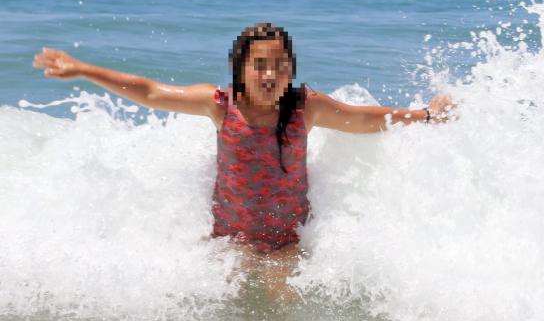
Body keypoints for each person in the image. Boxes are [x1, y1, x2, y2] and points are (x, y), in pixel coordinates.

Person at [33, 22, 453, 257]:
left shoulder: (307, 107)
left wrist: (426, 116)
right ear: (239, 70)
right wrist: (84, 69)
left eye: (280, 66)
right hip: (229, 241)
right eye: (259, 66)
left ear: (291, 71)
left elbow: (364, 120)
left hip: (288, 240)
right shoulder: (220, 106)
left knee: (283, 306)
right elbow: (150, 92)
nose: (270, 75)